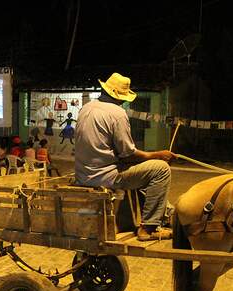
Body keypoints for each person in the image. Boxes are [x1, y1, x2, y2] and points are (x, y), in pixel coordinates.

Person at [74, 72, 176, 241]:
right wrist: (157, 155)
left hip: (84, 174)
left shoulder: (86, 107)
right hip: (105, 177)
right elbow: (128, 154)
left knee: (144, 170)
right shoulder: (117, 113)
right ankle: (149, 229)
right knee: (161, 170)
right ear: (120, 97)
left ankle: (161, 215)